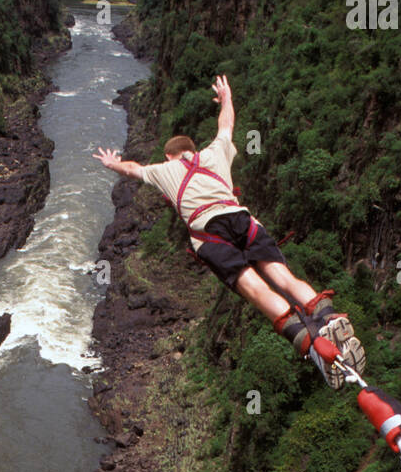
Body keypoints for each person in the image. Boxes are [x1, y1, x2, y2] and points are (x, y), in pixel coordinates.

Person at [93, 74, 365, 388]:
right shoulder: (215, 152)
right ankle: (330, 317)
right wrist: (227, 97)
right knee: (284, 277)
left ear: (170, 156)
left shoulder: (162, 169)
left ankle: (307, 342)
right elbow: (226, 125)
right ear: (192, 149)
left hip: (210, 232)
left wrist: (113, 164)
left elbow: (133, 169)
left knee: (256, 289)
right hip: (241, 219)